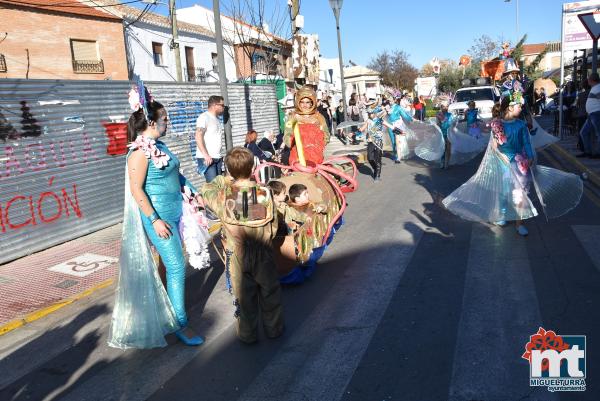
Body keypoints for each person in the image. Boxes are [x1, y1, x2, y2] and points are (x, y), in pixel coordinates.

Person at [109, 85, 204, 348]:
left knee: (170, 265)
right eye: (165, 119)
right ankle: (181, 324)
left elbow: (177, 174)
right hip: (158, 219)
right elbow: (137, 189)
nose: (168, 122)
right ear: (151, 122)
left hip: (176, 212)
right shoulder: (139, 153)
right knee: (175, 267)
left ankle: (167, 313)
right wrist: (155, 219)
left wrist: (194, 193)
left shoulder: (159, 145)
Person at [443, 92, 583, 237]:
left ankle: (519, 222)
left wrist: (529, 156)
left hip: (520, 162)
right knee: (504, 191)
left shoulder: (521, 125)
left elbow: (526, 142)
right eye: (518, 106)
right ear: (509, 108)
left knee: (521, 193)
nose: (521, 108)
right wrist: (501, 155)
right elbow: (495, 145)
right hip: (503, 162)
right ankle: (503, 215)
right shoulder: (497, 124)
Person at [201, 147, 284, 344]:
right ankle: (274, 329)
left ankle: (248, 334)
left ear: (228, 171)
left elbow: (206, 190)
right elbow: (273, 224)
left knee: (243, 298)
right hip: (263, 252)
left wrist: (224, 179)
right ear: (253, 167)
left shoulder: (223, 196)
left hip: (237, 254)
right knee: (270, 293)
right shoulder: (265, 192)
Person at [284, 86, 330, 166]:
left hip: (315, 157)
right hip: (297, 157)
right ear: (298, 102)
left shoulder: (319, 117)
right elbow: (287, 136)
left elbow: (326, 135)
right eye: (302, 102)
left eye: (308, 102)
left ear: (312, 102)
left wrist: (317, 145)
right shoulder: (292, 117)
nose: (305, 105)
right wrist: (297, 143)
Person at [195, 95, 225, 182]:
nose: (223, 107)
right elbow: (198, 136)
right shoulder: (204, 117)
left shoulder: (216, 119)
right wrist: (206, 156)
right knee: (213, 188)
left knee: (219, 187)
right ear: (215, 105)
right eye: (222, 105)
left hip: (217, 157)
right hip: (208, 158)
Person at [578, 73, 600, 158]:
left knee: (598, 134)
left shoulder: (598, 88)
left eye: (588, 79)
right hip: (592, 114)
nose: (587, 81)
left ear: (591, 80)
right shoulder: (595, 88)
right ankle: (588, 151)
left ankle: (597, 153)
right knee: (583, 132)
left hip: (596, 113)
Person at [436, 103, 454, 169]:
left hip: (449, 133)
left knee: (448, 148)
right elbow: (438, 124)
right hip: (442, 133)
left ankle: (447, 162)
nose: (445, 108)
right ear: (441, 108)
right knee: (443, 148)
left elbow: (452, 124)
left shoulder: (450, 115)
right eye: (443, 107)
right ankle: (442, 162)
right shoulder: (438, 115)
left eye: (446, 106)